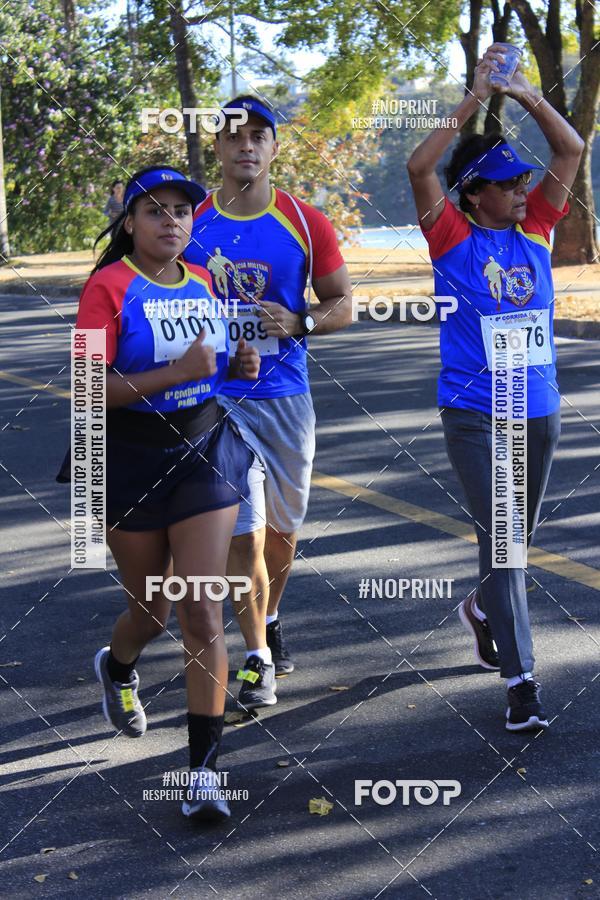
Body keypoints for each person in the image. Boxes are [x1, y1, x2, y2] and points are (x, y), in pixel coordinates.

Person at [75, 164, 260, 820]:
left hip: (205, 452)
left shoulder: (206, 281)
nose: (171, 221)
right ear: (130, 223)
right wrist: (172, 372)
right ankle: (119, 666)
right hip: (129, 458)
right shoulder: (107, 288)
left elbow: (215, 363)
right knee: (151, 613)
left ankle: (203, 776)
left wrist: (238, 364)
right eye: (155, 211)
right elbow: (86, 390)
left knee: (202, 612)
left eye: (182, 211)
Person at [406, 46, 583, 731]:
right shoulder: (450, 236)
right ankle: (522, 682)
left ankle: (482, 609)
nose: (520, 191)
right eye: (506, 184)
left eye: (521, 183)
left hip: (538, 411)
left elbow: (569, 152)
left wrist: (524, 93)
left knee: (510, 545)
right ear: (475, 192)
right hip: (476, 415)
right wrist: (476, 96)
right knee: (507, 545)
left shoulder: (536, 230)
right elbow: (422, 167)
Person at [185, 96, 353, 709]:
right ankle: (257, 655)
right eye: (234, 138)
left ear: (275, 147)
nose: (246, 147)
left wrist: (300, 320)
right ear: (219, 150)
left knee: (281, 536)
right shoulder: (191, 222)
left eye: (259, 136)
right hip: (213, 400)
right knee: (245, 537)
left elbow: (344, 305)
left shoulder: (306, 222)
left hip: (284, 397)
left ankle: (270, 615)